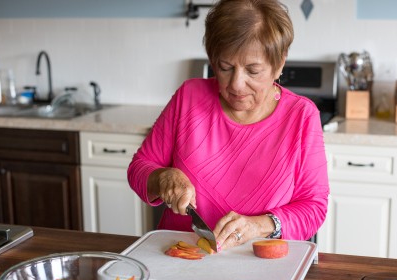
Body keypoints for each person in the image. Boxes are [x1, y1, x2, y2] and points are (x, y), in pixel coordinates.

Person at [128, 0, 329, 251]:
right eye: (225, 67)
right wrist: (162, 177)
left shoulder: (301, 116)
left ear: (279, 64)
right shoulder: (189, 96)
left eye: (253, 71)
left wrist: (260, 225)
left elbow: (314, 207)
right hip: (181, 255)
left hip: (260, 262)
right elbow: (139, 168)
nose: (236, 84)